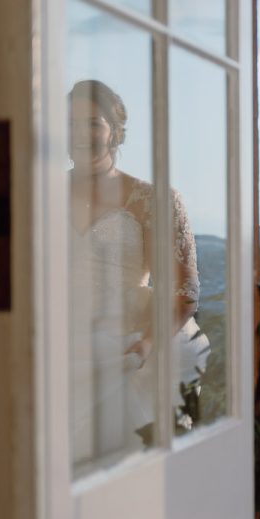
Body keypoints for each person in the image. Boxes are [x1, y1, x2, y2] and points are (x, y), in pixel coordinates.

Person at [68, 79, 210, 463]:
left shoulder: (155, 200)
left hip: (130, 351)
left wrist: (145, 346)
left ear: (114, 130)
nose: (80, 134)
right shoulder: (39, 195)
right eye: (70, 123)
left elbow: (184, 291)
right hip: (57, 347)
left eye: (92, 123)